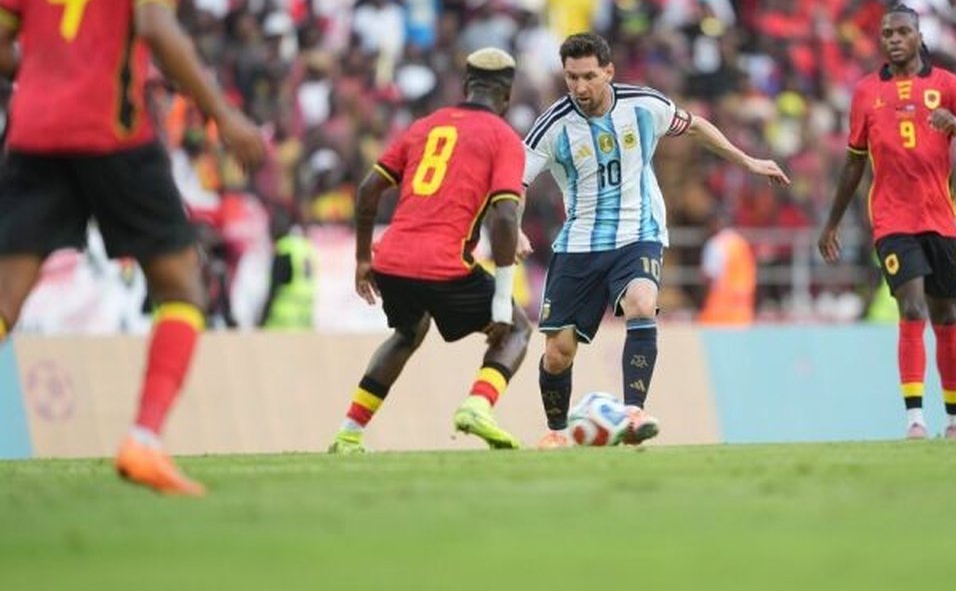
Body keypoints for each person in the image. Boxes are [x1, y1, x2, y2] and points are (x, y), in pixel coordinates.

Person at [0, 0, 266, 495]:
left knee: (5, 298)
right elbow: (154, 24)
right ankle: (143, 440)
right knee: (180, 287)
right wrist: (222, 113)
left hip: (34, 133)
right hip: (112, 133)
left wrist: (46, 67)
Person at [524, 32, 790, 448]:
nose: (579, 87)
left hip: (639, 231)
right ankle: (557, 432)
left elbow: (696, 126)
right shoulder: (553, 126)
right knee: (559, 352)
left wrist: (748, 160)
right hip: (579, 242)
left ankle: (633, 413)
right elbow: (515, 181)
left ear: (609, 72)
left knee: (642, 302)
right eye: (571, 78)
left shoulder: (644, 105)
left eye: (589, 76)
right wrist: (517, 229)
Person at [327, 48, 533, 454]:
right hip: (444, 265)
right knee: (519, 328)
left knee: (408, 331)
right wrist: (501, 305)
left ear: (465, 86)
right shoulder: (504, 138)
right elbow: (506, 218)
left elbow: (369, 190)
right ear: (507, 96)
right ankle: (478, 404)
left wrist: (362, 259)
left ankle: (349, 432)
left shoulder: (424, 126)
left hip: (393, 260)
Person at [818, 5, 956, 440]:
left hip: (941, 219)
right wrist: (832, 222)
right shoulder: (865, 93)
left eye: (901, 32)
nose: (893, 39)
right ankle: (915, 417)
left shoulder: (948, 85)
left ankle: (955, 418)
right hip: (893, 220)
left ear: (918, 36)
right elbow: (854, 164)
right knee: (911, 307)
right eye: (886, 33)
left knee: (946, 316)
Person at [260, 208, 317, 329]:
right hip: (304, 320)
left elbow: (274, 289)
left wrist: (262, 321)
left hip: (282, 322)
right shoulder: (305, 246)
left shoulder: (284, 249)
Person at [698, 213, 757, 326]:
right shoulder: (741, 243)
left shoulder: (715, 244)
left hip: (719, 311)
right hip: (743, 310)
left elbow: (709, 275)